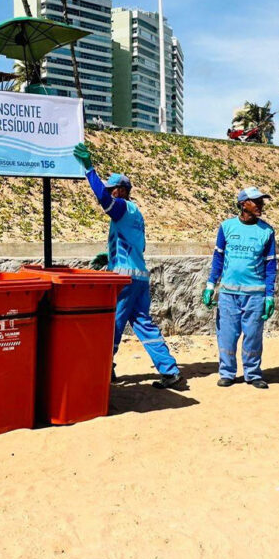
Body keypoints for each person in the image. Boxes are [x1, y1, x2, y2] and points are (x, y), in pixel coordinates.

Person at [73, 142, 182, 389]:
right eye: (110, 189)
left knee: (113, 323)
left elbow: (103, 199)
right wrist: (109, 256)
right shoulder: (135, 213)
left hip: (124, 279)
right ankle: (169, 370)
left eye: (113, 189)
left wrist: (89, 168)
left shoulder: (121, 208)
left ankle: (103, 369)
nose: (110, 192)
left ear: (122, 190)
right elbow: (135, 245)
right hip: (139, 277)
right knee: (144, 323)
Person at [203, 187, 277, 388]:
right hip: (228, 293)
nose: (261, 205)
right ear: (243, 204)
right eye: (256, 202)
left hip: (255, 294)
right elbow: (218, 258)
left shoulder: (267, 232)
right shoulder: (226, 227)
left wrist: (269, 295)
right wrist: (211, 285)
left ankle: (252, 374)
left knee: (253, 335)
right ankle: (227, 372)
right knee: (226, 334)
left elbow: (271, 266)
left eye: (261, 202)